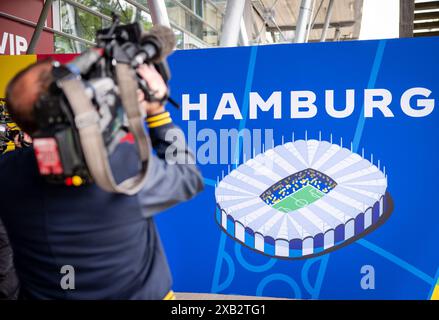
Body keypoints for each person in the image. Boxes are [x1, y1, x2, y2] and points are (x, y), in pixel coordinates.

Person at [0, 59, 204, 299]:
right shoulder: (123, 166)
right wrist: (157, 111)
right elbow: (187, 176)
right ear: (72, 104)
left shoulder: (7, 172)